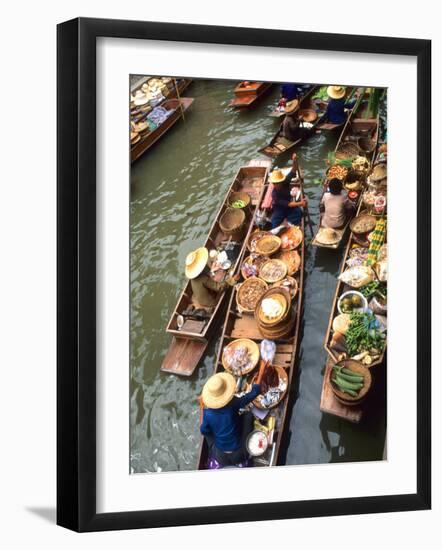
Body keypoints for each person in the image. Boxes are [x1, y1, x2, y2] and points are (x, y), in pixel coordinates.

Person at [200, 372, 262, 466]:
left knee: (208, 431)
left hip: (220, 457)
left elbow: (203, 430)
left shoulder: (207, 413)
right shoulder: (232, 402)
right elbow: (249, 397)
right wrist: (256, 388)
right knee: (248, 415)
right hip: (240, 454)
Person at [269, 154, 307, 229]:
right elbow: (289, 204)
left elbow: (294, 170)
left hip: (289, 208)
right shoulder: (275, 194)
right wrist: (301, 203)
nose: (277, 185)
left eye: (278, 183)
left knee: (299, 214)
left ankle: (288, 224)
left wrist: (294, 161)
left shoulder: (285, 181)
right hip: (279, 210)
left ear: (281, 181)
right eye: (275, 183)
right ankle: (285, 224)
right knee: (274, 225)